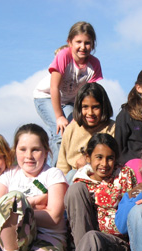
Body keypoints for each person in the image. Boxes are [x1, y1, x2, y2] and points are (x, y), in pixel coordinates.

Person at [55, 133, 136, 251]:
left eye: (110, 158)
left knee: (92, 237)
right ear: (88, 157)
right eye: (99, 157)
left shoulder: (124, 175)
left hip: (117, 246)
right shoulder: (81, 180)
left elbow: (134, 207)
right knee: (75, 191)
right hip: (88, 243)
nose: (104, 163)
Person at [33, 22, 102, 167]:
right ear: (70, 42)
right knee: (60, 132)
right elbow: (54, 87)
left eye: (87, 43)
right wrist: (59, 117)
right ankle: (54, 172)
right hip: (47, 96)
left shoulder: (94, 64)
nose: (83, 47)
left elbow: (90, 93)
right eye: (78, 42)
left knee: (75, 130)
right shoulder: (64, 56)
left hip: (70, 101)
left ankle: (72, 166)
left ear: (92, 44)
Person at [56, 82, 115, 184]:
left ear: (103, 107)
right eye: (85, 107)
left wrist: (89, 162)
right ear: (79, 108)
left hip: (104, 180)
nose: (90, 113)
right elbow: (62, 166)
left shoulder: (112, 128)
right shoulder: (71, 130)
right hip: (75, 182)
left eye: (95, 107)